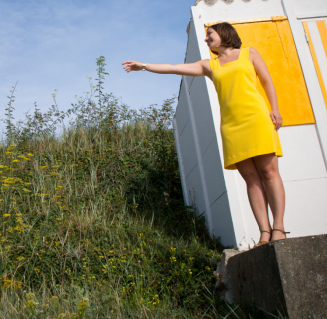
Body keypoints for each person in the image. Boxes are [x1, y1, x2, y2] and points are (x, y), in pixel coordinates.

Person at [122, 22, 288, 245]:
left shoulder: (249, 54)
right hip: (232, 126)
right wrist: (143, 65)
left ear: (224, 33)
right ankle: (264, 232)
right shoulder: (210, 65)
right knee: (251, 179)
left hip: (257, 119)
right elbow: (173, 67)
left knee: (268, 172)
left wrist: (274, 109)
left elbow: (267, 81)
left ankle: (278, 228)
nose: (206, 39)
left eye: (209, 34)